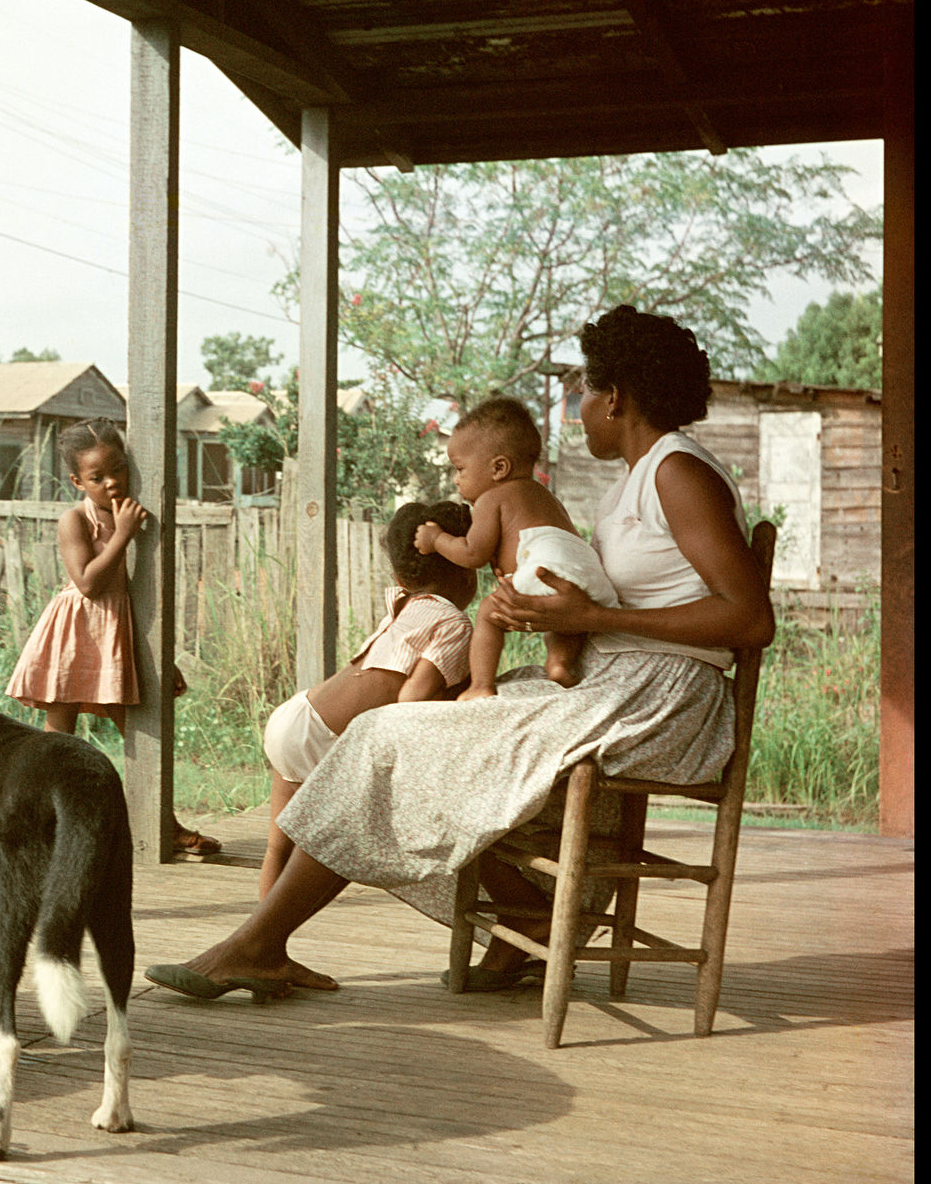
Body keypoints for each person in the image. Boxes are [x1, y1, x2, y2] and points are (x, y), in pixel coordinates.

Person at [144, 305, 775, 1002]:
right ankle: (516, 919)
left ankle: (257, 943)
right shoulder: (637, 478)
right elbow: (612, 607)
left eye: (584, 395)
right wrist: (537, 611)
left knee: (392, 736)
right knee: (406, 734)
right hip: (615, 680)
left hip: (661, 699)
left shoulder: (677, 471)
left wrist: (592, 614)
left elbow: (748, 618)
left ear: (616, 396)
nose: (580, 411)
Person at [5, 418, 221, 857]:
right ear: (77, 481)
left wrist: (161, 657)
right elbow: (88, 583)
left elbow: (137, 601)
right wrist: (122, 535)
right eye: (96, 477)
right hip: (73, 633)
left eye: (117, 470)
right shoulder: (75, 520)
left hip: (117, 637)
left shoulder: (135, 514)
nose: (110, 483)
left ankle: (163, 824)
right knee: (58, 736)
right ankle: (36, 827)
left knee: (140, 732)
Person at [253, 500, 475, 899]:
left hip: (297, 715)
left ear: (398, 573)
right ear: (465, 570)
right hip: (322, 738)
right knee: (338, 844)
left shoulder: (405, 606)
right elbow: (412, 699)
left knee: (278, 846)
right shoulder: (454, 622)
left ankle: (253, 940)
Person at [415, 396, 618, 698]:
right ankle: (560, 664)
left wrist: (436, 540)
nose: (456, 480)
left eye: (460, 469)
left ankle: (481, 686)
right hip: (588, 573)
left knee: (488, 612)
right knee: (563, 624)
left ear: (498, 468)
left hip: (545, 569)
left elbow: (473, 553)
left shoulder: (492, 498)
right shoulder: (546, 497)